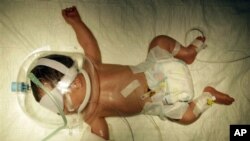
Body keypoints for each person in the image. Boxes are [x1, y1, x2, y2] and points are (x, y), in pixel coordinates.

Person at [30, 6, 234, 140]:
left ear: (73, 77)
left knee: (159, 42)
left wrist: (77, 23)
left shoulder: (91, 67)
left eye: (61, 96)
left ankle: (187, 53)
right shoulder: (91, 115)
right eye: (59, 105)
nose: (64, 110)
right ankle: (209, 97)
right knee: (188, 116)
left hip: (152, 68)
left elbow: (88, 44)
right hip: (158, 100)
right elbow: (101, 133)